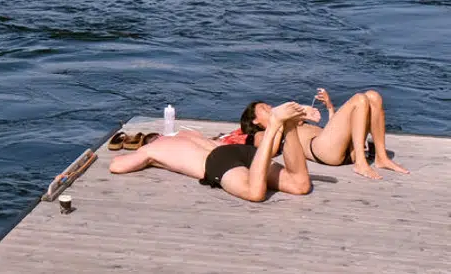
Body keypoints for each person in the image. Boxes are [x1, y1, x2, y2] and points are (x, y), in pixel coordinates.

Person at [109, 102, 314, 202]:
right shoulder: (191, 134)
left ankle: (275, 125)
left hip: (217, 160)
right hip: (239, 150)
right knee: (300, 185)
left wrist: (141, 156)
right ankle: (289, 126)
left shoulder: (153, 148)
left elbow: (117, 166)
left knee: (255, 192)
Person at [238, 88, 408, 179]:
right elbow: (272, 149)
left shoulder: (286, 120)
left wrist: (329, 107)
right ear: (255, 121)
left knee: (373, 96)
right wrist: (280, 121)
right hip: (321, 150)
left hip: (340, 146)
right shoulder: (261, 135)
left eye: (268, 105)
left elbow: (333, 132)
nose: (270, 107)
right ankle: (361, 163)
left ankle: (381, 157)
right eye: (264, 108)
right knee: (360, 99)